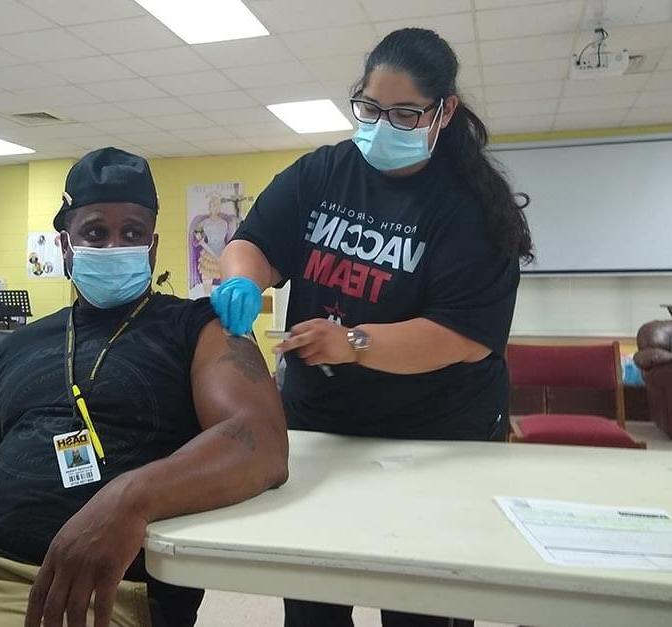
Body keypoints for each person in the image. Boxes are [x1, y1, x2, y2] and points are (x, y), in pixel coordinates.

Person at [0, 147, 289, 627]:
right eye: (95, 232)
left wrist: (130, 498)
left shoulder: (199, 327)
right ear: (66, 247)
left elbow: (259, 441)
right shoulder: (20, 344)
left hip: (91, 593)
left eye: (132, 233)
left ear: (152, 248)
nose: (115, 246)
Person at [211, 28, 533, 627]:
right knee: (313, 593)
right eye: (369, 107)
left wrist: (356, 342)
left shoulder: (468, 206)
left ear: (445, 111)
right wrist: (241, 282)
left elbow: (461, 336)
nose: (382, 125)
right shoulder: (325, 172)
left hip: (435, 435)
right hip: (323, 423)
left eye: (406, 113)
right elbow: (255, 241)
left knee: (420, 602)